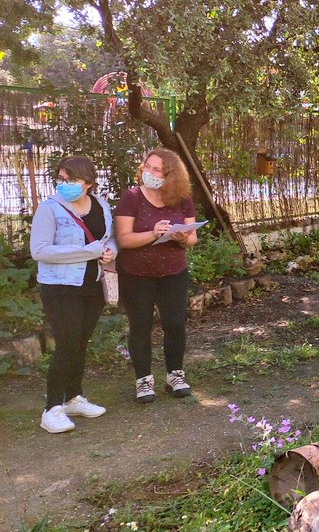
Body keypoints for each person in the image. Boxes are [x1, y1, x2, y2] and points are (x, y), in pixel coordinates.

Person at [30, 156, 117, 433]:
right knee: (67, 343)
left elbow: (109, 237)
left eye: (70, 180)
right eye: (60, 179)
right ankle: (52, 408)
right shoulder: (50, 209)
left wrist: (111, 250)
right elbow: (40, 251)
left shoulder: (101, 205)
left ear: (88, 183)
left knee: (80, 342)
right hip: (60, 287)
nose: (63, 184)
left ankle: (74, 398)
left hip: (91, 283)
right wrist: (89, 252)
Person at [114, 148, 198, 403]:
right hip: (136, 274)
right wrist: (153, 233)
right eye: (147, 166)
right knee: (141, 326)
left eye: (156, 169)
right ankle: (143, 380)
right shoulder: (131, 197)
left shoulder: (182, 198)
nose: (148, 172)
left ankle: (175, 376)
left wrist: (183, 237)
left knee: (175, 324)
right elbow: (124, 239)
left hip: (173, 272)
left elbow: (193, 237)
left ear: (171, 175)